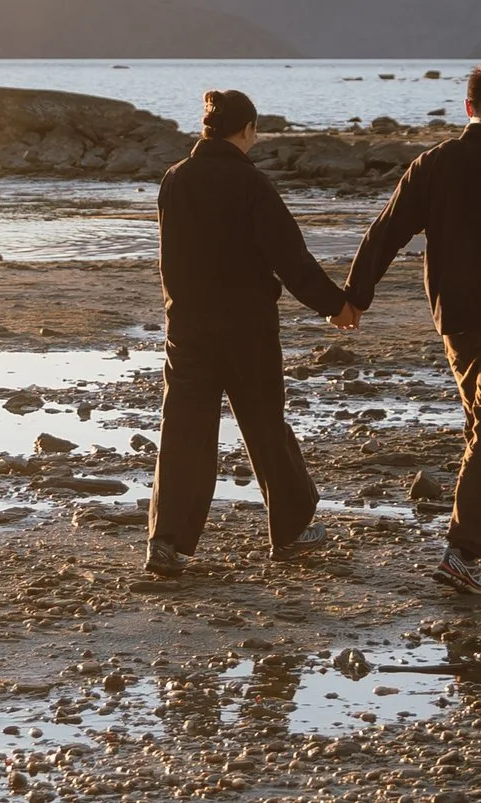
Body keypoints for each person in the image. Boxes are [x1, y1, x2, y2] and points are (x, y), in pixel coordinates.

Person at [343, 63, 481, 594]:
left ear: (468, 107)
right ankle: (463, 553)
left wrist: (354, 296)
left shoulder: (433, 165)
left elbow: (387, 230)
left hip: (460, 327)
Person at [145, 87, 355, 577]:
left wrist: (177, 310)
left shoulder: (175, 180)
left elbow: (167, 260)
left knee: (184, 432)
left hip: (188, 324)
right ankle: (292, 529)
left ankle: (167, 542)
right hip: (246, 326)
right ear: (247, 130)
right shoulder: (251, 184)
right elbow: (290, 258)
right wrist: (336, 306)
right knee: (264, 424)